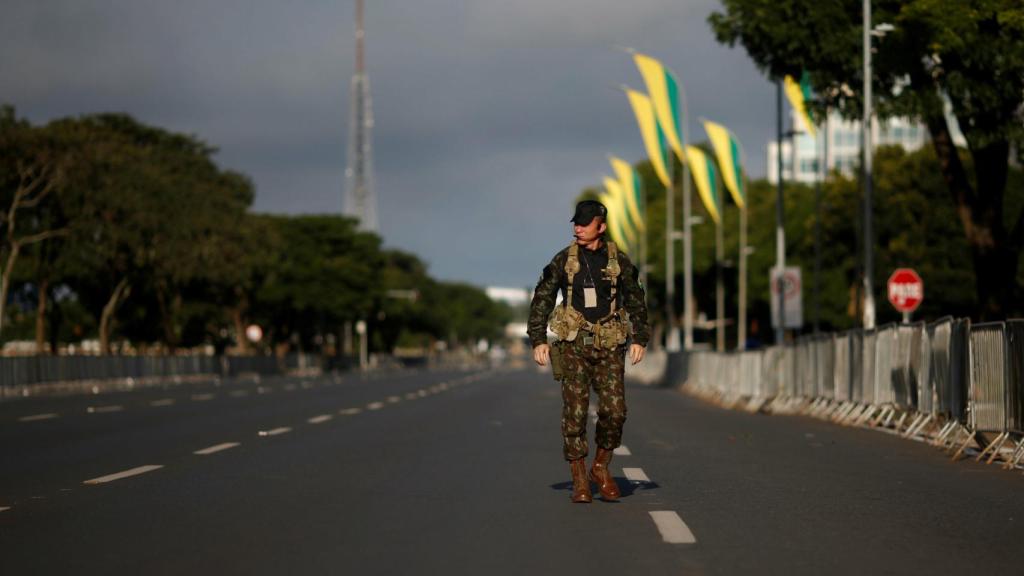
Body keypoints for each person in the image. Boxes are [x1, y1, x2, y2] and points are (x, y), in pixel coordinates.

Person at [528, 200, 649, 503]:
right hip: (573, 347)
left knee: (615, 412)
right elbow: (542, 295)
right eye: (575, 223)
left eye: (584, 223)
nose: (578, 228)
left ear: (601, 226)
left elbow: (635, 296)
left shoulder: (617, 259)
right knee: (575, 414)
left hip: (610, 347)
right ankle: (579, 478)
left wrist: (640, 337)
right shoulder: (564, 260)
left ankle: (601, 466)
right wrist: (538, 338)